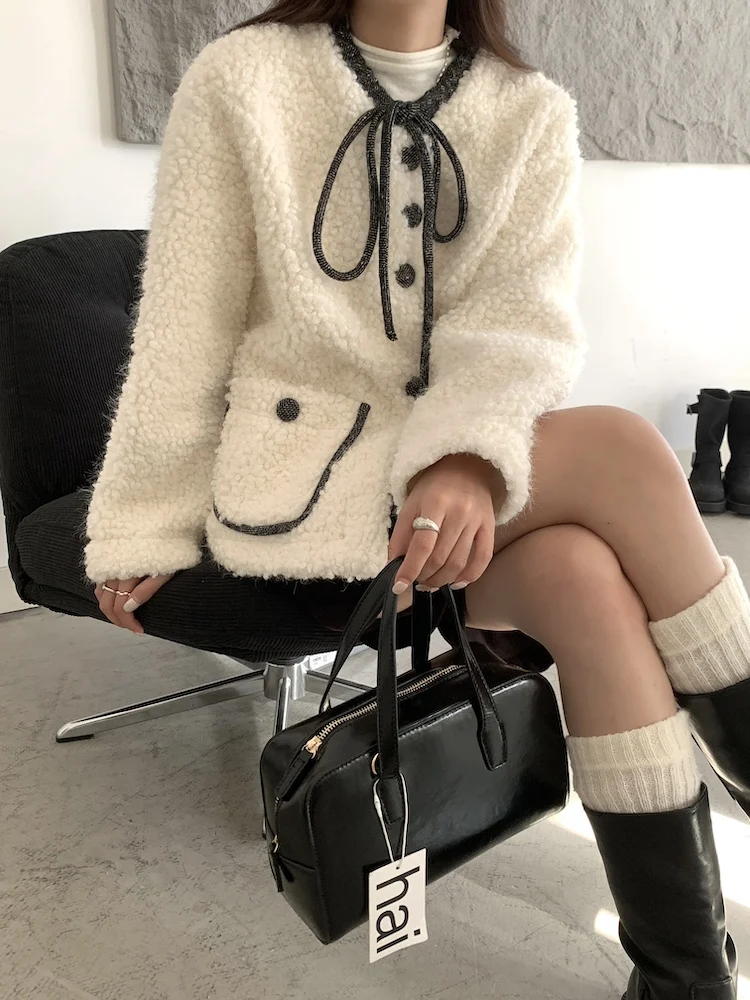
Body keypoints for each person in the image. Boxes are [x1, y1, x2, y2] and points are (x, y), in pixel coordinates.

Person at [87, 0, 748, 994]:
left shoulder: (527, 110)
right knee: (622, 449)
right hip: (302, 501)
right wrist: (145, 517)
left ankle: (683, 979)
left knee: (583, 577)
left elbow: (522, 324)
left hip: (448, 514)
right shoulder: (243, 79)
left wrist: (466, 458)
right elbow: (186, 324)